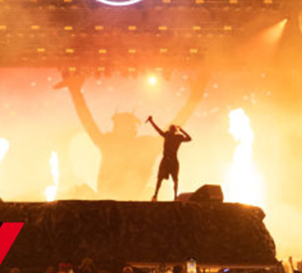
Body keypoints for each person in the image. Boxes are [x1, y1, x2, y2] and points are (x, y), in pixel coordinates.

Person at [59, 71, 209, 199]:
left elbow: (177, 123)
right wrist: (195, 96)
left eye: (122, 125)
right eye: (118, 125)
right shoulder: (114, 143)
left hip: (126, 201)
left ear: (132, 129)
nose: (118, 129)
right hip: (112, 201)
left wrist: (75, 92)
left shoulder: (133, 145)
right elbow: (87, 120)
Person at [148, 115, 192, 201]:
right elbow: (158, 130)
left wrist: (182, 130)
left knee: (174, 179)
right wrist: (151, 122)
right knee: (161, 178)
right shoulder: (172, 136)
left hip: (171, 160)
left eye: (172, 129)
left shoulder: (176, 137)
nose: (171, 130)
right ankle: (156, 195)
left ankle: (173, 196)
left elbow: (190, 139)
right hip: (167, 160)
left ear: (174, 130)